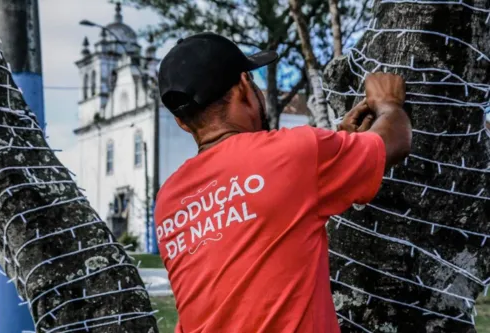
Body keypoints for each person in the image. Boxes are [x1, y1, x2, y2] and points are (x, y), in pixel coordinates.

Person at [154, 32, 412, 333]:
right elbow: (395, 140)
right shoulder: (293, 153)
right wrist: (388, 103)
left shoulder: (169, 200)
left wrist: (339, 149)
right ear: (244, 88)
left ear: (182, 122)